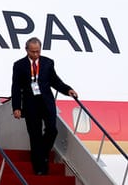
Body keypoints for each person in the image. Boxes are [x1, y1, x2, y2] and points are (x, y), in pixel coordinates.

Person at [11, 37, 78, 176]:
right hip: (30, 104)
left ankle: (42, 154)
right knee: (34, 136)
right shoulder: (19, 65)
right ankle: (40, 168)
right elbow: (15, 87)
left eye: (38, 51)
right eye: (33, 52)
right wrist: (16, 107)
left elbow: (55, 81)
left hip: (46, 102)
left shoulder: (48, 62)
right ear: (26, 49)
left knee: (52, 130)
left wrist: (67, 90)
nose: (35, 54)